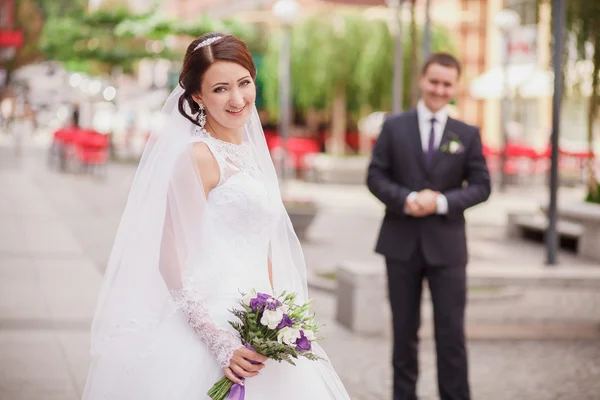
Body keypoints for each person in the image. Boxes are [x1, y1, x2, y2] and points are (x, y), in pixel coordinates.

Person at [82, 33, 350, 400]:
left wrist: (277, 318)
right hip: (212, 315)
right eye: (221, 89)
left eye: (244, 83)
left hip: (261, 320)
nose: (237, 99)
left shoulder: (251, 154)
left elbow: (264, 243)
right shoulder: (198, 156)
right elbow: (170, 257)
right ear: (197, 96)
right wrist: (217, 340)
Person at [366, 53, 491, 400]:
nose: (439, 89)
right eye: (434, 81)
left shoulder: (467, 133)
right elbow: (375, 176)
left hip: (448, 248)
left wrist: (441, 202)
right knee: (403, 335)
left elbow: (482, 186)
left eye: (447, 84)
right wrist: (406, 198)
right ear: (422, 79)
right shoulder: (394, 127)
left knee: (452, 336)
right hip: (400, 244)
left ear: (455, 87)